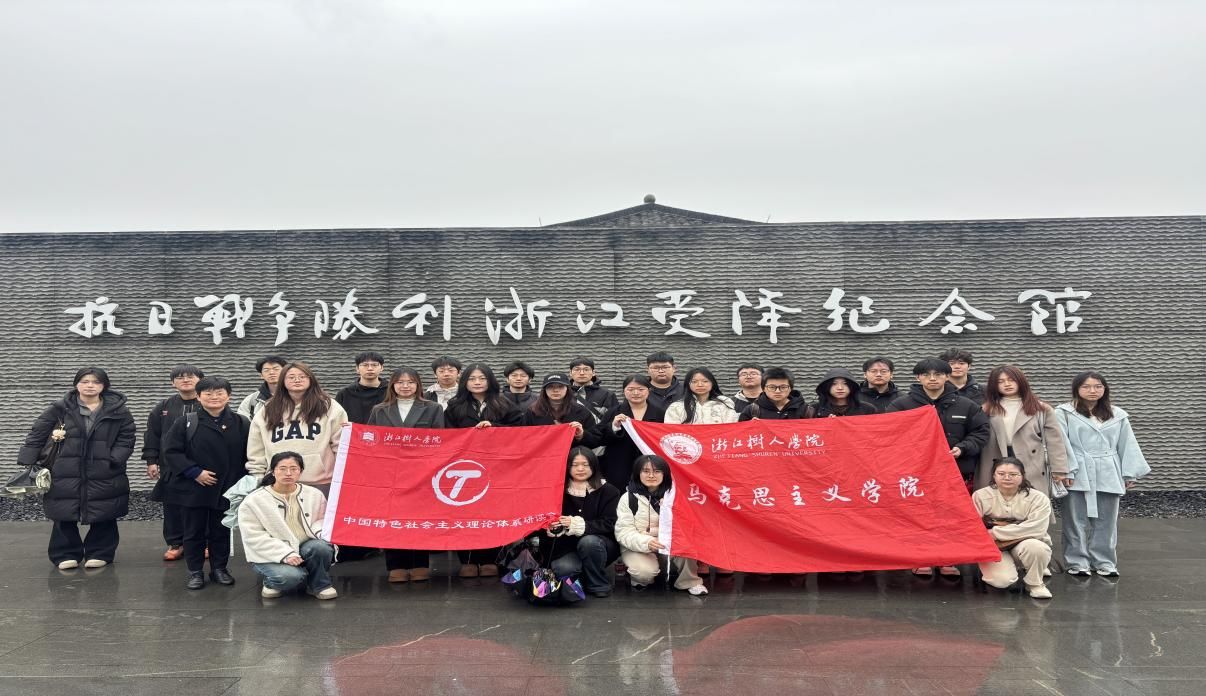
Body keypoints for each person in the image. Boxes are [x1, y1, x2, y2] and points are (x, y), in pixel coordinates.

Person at [18, 367, 136, 570]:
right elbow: (37, 433)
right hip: (64, 468)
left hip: (104, 469)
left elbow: (127, 438)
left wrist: (114, 459)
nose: (90, 385)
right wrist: (29, 460)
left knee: (105, 511)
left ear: (104, 386)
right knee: (63, 512)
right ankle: (65, 554)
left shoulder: (119, 410)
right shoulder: (59, 408)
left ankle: (100, 552)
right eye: (85, 381)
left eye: (96, 382)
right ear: (76, 384)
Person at [886, 358, 989, 578]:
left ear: (947, 376)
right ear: (918, 377)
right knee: (918, 517)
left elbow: (981, 432)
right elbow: (888, 434)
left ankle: (948, 559)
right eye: (926, 374)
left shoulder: (966, 405)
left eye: (938, 374)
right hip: (915, 474)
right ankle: (922, 558)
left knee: (951, 518)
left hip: (955, 472)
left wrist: (963, 448)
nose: (932, 379)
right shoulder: (901, 405)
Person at [1056, 371, 1150, 577]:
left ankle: (1105, 561)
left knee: (1107, 520)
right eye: (1086, 386)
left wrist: (1129, 474)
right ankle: (1076, 561)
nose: (1092, 390)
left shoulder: (1118, 414)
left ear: (1105, 389)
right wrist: (1066, 469)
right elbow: (1060, 443)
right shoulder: (1064, 413)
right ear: (1076, 389)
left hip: (1108, 469)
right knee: (1075, 520)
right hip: (1078, 470)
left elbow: (1127, 443)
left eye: (1098, 386)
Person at [162, 376, 250, 590]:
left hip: (227, 487)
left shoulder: (241, 423)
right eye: (208, 393)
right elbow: (171, 451)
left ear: (228, 396)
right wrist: (194, 472)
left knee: (221, 530)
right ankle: (195, 571)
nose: (214, 397)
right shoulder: (186, 422)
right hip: (193, 487)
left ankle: (220, 568)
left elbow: (249, 453)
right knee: (193, 531)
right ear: (199, 397)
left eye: (219, 393)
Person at [443, 363, 522, 577]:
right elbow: (447, 435)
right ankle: (467, 559)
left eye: (482, 378)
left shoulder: (504, 403)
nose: (477, 382)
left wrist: (495, 429)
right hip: (464, 468)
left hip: (497, 467)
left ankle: (491, 558)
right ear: (464, 382)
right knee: (464, 512)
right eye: (472, 379)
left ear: (490, 381)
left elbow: (521, 431)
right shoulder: (454, 405)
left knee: (492, 513)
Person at [368, 367, 444, 583]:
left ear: (418, 385)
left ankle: (420, 563)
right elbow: (370, 439)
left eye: (410, 382)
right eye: (400, 382)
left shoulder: (433, 408)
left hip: (422, 473)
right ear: (392, 385)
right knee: (393, 519)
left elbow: (440, 440)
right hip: (390, 474)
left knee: (419, 519)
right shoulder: (380, 410)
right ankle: (396, 565)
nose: (405, 386)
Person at [238, 451, 338, 600]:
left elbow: (323, 520)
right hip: (270, 554)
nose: (288, 473)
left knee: (321, 547)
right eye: (282, 468)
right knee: (290, 577)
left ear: (301, 471)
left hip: (305, 546)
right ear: (273, 471)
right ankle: (271, 582)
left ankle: (320, 585)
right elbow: (253, 536)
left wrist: (319, 532)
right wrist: (285, 554)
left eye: (294, 469)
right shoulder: (254, 500)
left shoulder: (314, 494)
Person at [247, 362, 348, 490]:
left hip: (321, 482)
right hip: (278, 483)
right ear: (282, 381)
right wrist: (257, 476)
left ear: (311, 379)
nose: (297, 380)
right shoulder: (268, 409)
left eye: (302, 376)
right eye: (291, 377)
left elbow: (341, 445)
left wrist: (342, 476)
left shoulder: (329, 406)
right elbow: (256, 448)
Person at [614, 455, 707, 595]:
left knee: (687, 544)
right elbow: (623, 532)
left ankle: (690, 581)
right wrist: (647, 542)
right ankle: (637, 574)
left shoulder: (676, 495)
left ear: (665, 474)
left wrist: (672, 510)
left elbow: (689, 525)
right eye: (645, 471)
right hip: (640, 544)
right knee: (644, 574)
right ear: (637, 473)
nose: (651, 475)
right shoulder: (628, 498)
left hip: (670, 542)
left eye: (657, 471)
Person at [974, 365, 1071, 496]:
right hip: (994, 457)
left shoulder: (1041, 409)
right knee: (994, 501)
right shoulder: (986, 409)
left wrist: (1059, 469)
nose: (1007, 384)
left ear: (1021, 381)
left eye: (1011, 380)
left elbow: (1055, 441)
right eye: (1000, 381)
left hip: (1030, 460)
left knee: (1031, 499)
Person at [541, 447, 622, 598]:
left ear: (594, 465)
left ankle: (598, 583)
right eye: (574, 464)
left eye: (585, 464)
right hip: (566, 547)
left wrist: (577, 525)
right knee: (564, 569)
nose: (580, 469)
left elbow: (610, 523)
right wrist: (553, 527)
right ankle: (582, 576)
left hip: (599, 544)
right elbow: (544, 519)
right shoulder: (556, 490)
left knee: (589, 542)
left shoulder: (609, 491)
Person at [142, 364, 203, 562]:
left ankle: (204, 543)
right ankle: (176, 543)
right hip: (171, 465)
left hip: (202, 465)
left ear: (200, 380)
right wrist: (151, 461)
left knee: (203, 505)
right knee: (172, 505)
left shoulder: (208, 403)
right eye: (180, 377)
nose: (185, 380)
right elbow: (152, 434)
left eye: (190, 376)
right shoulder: (164, 407)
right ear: (172, 383)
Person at [972, 457, 1054, 599]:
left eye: (1013, 474)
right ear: (994, 475)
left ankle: (1035, 583)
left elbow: (1037, 529)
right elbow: (973, 527)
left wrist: (994, 532)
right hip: (994, 546)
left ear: (1022, 476)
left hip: (1024, 542)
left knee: (1038, 548)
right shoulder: (980, 496)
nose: (1007, 478)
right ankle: (1011, 567)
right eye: (1001, 474)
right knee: (1002, 581)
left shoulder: (1038, 498)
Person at [596, 375, 666, 486]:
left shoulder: (660, 413)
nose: (636, 393)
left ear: (649, 391)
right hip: (619, 465)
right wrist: (614, 427)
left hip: (651, 465)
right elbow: (599, 437)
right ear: (624, 391)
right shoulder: (614, 412)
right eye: (631, 389)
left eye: (641, 389)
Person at [522, 373, 594, 442]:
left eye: (560, 386)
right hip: (542, 450)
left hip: (572, 450)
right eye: (551, 387)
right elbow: (524, 437)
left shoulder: (581, 411)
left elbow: (595, 439)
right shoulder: (532, 411)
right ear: (544, 389)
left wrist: (581, 435)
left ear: (567, 388)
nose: (556, 390)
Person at [664, 368, 738, 425]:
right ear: (688, 384)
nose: (700, 385)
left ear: (712, 383)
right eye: (694, 382)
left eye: (705, 381)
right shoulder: (676, 407)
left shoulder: (724, 404)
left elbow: (732, 428)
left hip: (717, 440)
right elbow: (672, 432)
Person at [335, 351, 388, 424]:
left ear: (382, 368)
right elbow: (337, 419)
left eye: (374, 365)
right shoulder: (345, 394)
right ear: (357, 368)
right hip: (354, 431)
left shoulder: (390, 391)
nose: (370, 368)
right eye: (365, 365)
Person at [738, 367, 808, 420]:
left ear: (791, 388)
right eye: (772, 387)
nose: (777, 391)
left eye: (783, 387)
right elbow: (741, 432)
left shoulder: (806, 410)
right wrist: (750, 426)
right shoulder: (752, 410)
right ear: (764, 388)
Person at [805, 368, 878, 418]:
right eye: (834, 384)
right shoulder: (813, 410)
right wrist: (825, 424)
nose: (840, 388)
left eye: (845, 383)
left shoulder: (868, 409)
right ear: (827, 387)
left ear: (851, 386)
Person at [569, 357, 619, 427]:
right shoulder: (564, 393)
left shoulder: (607, 395)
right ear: (570, 373)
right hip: (570, 433)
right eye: (577, 369)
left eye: (586, 369)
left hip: (598, 433)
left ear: (593, 373)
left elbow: (613, 422)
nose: (582, 373)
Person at [237, 355, 287, 420]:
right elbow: (243, 421)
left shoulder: (295, 395)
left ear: (285, 372)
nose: (271, 372)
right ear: (261, 375)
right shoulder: (252, 400)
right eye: (266, 370)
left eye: (276, 369)